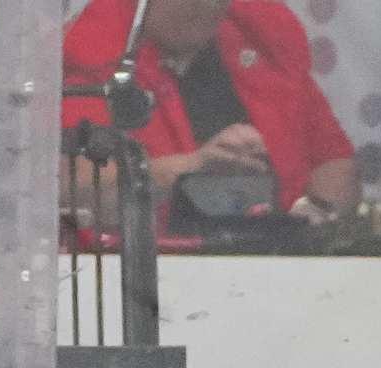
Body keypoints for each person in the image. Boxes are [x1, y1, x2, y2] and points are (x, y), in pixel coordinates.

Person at [62, 0, 359, 235]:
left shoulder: (263, 34)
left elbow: (334, 160)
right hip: (155, 269)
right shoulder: (93, 48)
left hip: (283, 265)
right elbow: (76, 187)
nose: (211, 6)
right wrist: (193, 168)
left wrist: (311, 215)